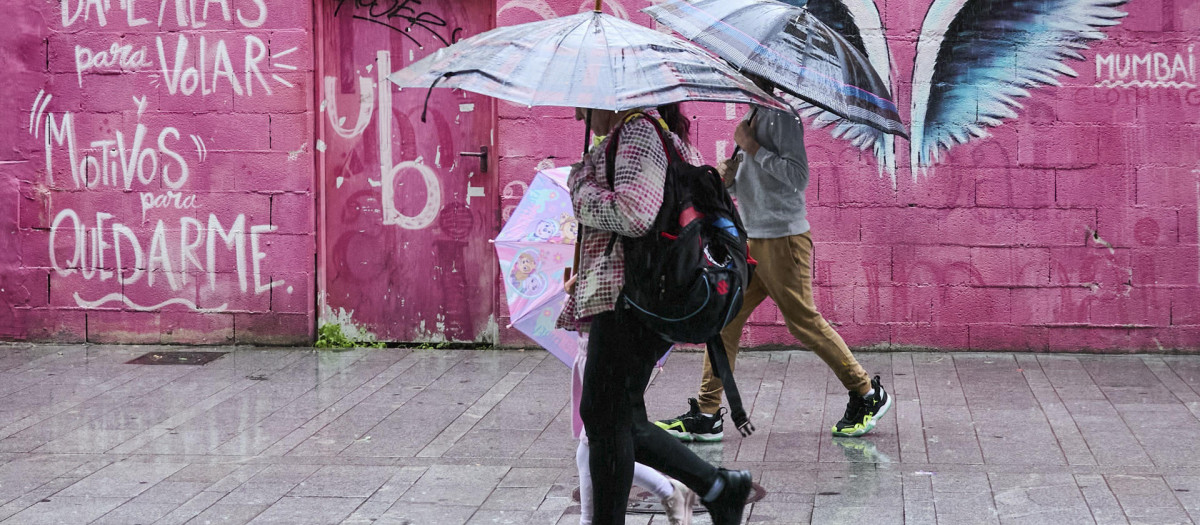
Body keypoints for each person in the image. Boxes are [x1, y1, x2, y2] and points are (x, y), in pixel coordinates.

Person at [655, 75, 892, 441]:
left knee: (804, 323)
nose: (737, 77)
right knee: (723, 322)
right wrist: (729, 179)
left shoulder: (783, 116)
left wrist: (753, 148)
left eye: (743, 73)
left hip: (783, 240)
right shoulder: (754, 114)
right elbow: (757, 183)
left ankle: (867, 393)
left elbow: (797, 177)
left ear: (759, 75)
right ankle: (707, 413)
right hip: (753, 239)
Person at [558, 103, 752, 525]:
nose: (576, 116)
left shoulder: (637, 133)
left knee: (603, 417)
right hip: (632, 297)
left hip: (632, 300)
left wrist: (580, 188)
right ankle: (720, 488)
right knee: (614, 418)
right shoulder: (637, 134)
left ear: (606, 97)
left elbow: (634, 214)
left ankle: (718, 487)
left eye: (581, 105)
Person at [568, 333, 693, 525]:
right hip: (594, 354)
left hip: (606, 359)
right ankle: (670, 490)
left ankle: (673, 489)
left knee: (599, 442)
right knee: (596, 443)